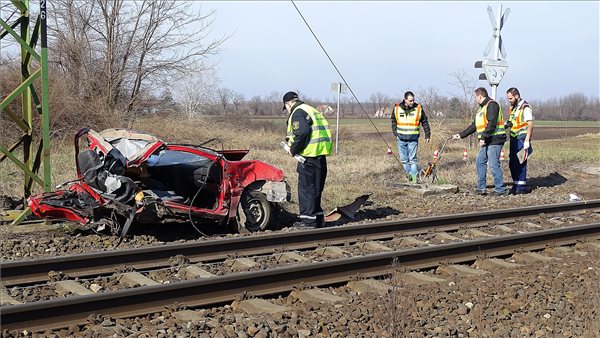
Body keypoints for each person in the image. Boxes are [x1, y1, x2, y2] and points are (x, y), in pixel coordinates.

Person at [282, 91, 332, 228]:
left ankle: (308, 221)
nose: (286, 110)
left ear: (288, 103)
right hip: (320, 155)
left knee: (306, 189)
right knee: (316, 188)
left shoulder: (297, 112)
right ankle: (318, 219)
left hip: (308, 157)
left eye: (285, 107)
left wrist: (293, 149)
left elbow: (302, 132)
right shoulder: (311, 109)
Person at [451, 87, 507, 196]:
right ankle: (481, 188)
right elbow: (474, 126)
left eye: (475, 97)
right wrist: (460, 135)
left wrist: (483, 137)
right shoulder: (481, 109)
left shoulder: (492, 105)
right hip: (487, 140)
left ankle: (500, 189)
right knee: (480, 161)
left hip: (495, 140)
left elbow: (491, 124)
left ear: (480, 96)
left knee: (493, 164)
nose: (475, 99)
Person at [391, 91, 431, 183]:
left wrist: (427, 135)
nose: (412, 102)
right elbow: (393, 120)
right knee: (404, 160)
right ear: (405, 100)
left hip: (413, 139)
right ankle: (410, 175)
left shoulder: (418, 108)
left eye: (413, 100)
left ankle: (414, 178)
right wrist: (395, 132)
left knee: (412, 159)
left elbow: (425, 122)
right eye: (410, 101)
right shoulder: (397, 108)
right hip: (400, 138)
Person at [506, 87, 534, 194]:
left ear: (517, 96)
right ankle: (516, 184)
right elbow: (512, 121)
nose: (509, 100)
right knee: (512, 162)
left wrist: (527, 140)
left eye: (511, 98)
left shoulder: (525, 107)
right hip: (514, 137)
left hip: (522, 138)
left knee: (520, 161)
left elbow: (530, 124)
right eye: (508, 98)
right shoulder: (513, 108)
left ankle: (521, 187)